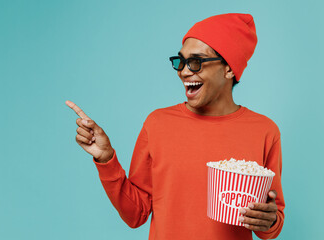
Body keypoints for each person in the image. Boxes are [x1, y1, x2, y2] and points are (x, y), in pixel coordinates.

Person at [66, 13, 285, 240]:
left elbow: (271, 223)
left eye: (196, 62)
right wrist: (106, 159)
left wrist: (268, 220)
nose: (184, 71)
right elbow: (136, 214)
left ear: (229, 69)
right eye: (181, 61)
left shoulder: (264, 131)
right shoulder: (157, 123)